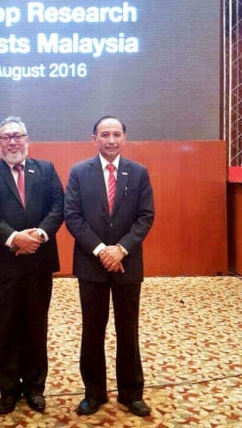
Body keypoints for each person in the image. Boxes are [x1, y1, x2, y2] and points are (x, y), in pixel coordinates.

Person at [64, 116, 155, 418]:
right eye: (105, 134)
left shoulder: (139, 172)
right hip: (92, 264)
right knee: (93, 330)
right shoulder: (79, 172)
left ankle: (131, 393)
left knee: (128, 330)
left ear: (125, 138)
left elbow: (145, 216)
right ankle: (94, 393)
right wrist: (103, 250)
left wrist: (121, 249)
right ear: (94, 139)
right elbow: (73, 216)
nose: (111, 140)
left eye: (117, 134)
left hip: (128, 264)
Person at [0, 116, 64, 415]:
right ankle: (8, 389)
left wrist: (38, 234)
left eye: (18, 136)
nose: (13, 141)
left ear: (28, 139)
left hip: (39, 260)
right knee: (4, 329)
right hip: (3, 264)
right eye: (6, 137)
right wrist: (14, 238)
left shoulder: (46, 168)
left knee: (36, 327)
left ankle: (35, 388)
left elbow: (58, 207)